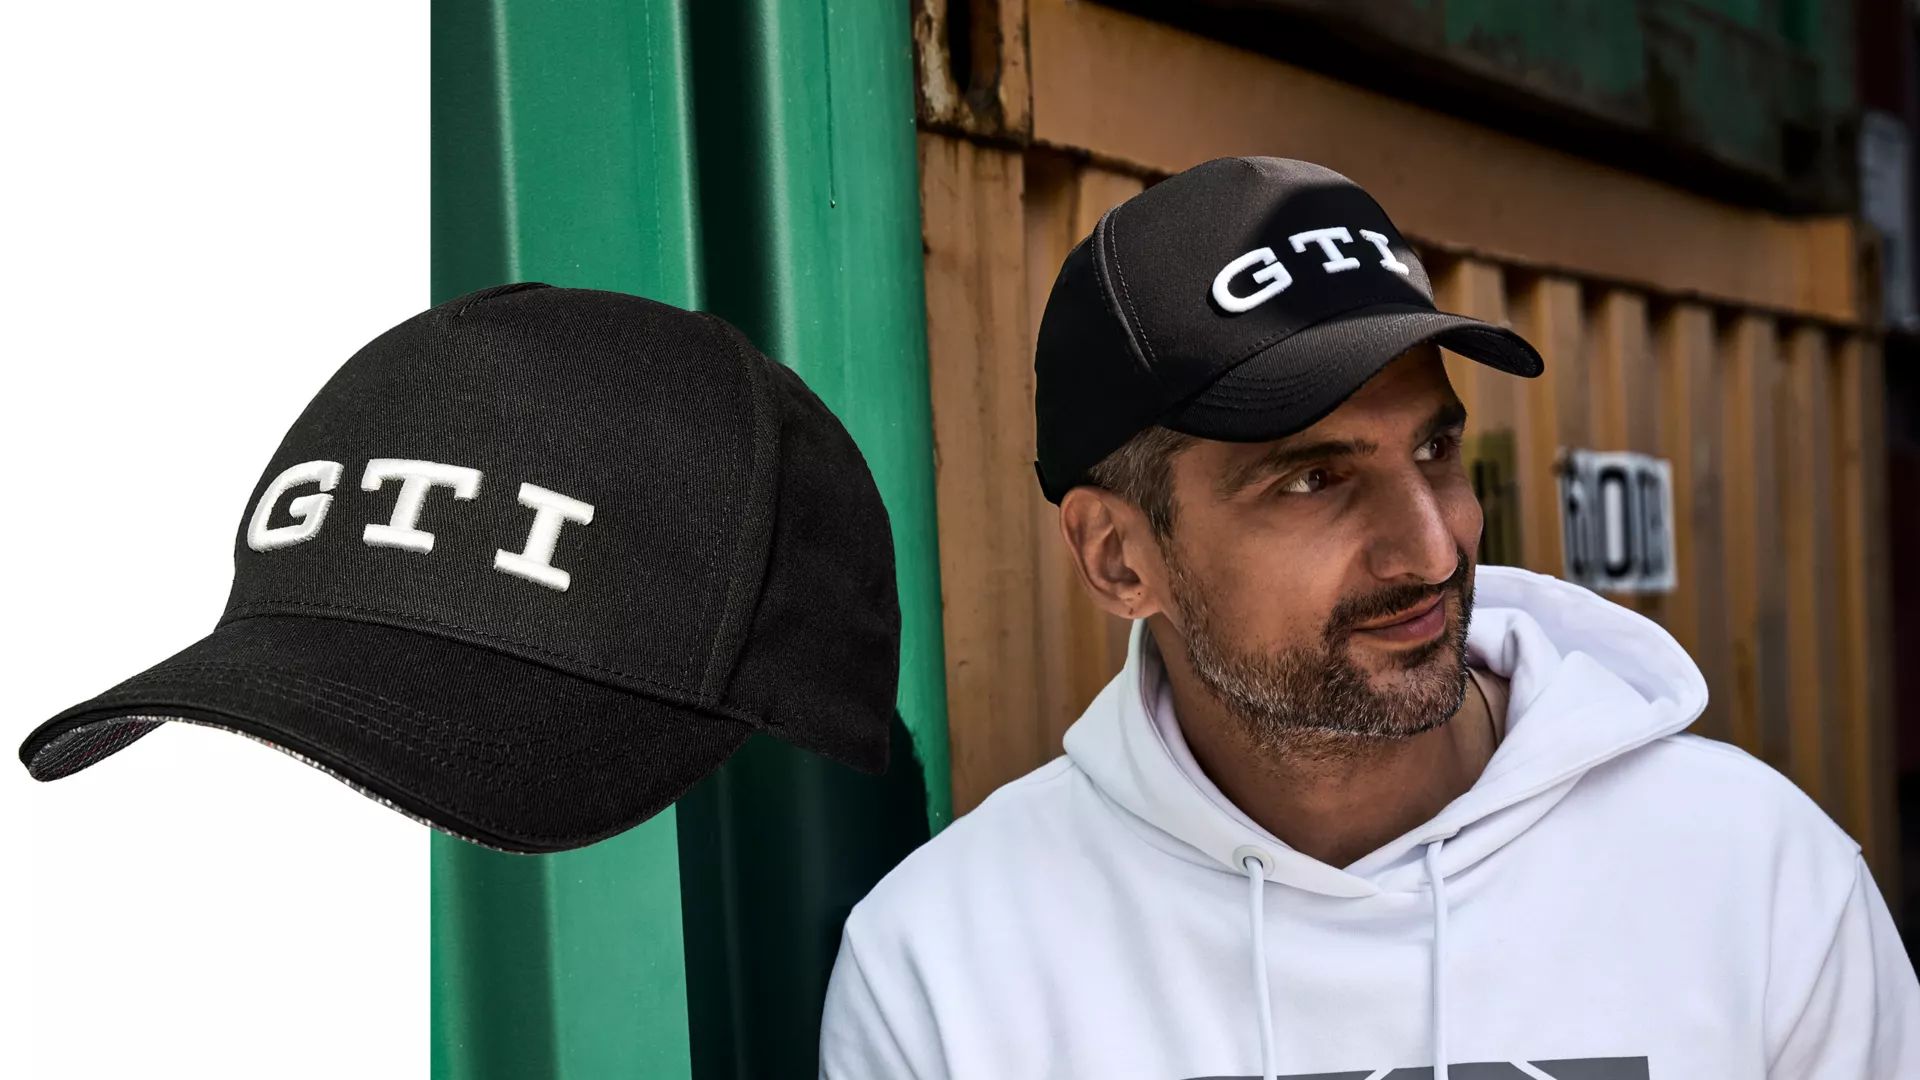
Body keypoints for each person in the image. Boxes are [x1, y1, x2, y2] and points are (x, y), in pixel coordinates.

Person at [818, 157, 1920, 1078]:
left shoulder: (1753, 878)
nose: (1434, 550)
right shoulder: (947, 971)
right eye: (1315, 480)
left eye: (1436, 449)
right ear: (1117, 557)